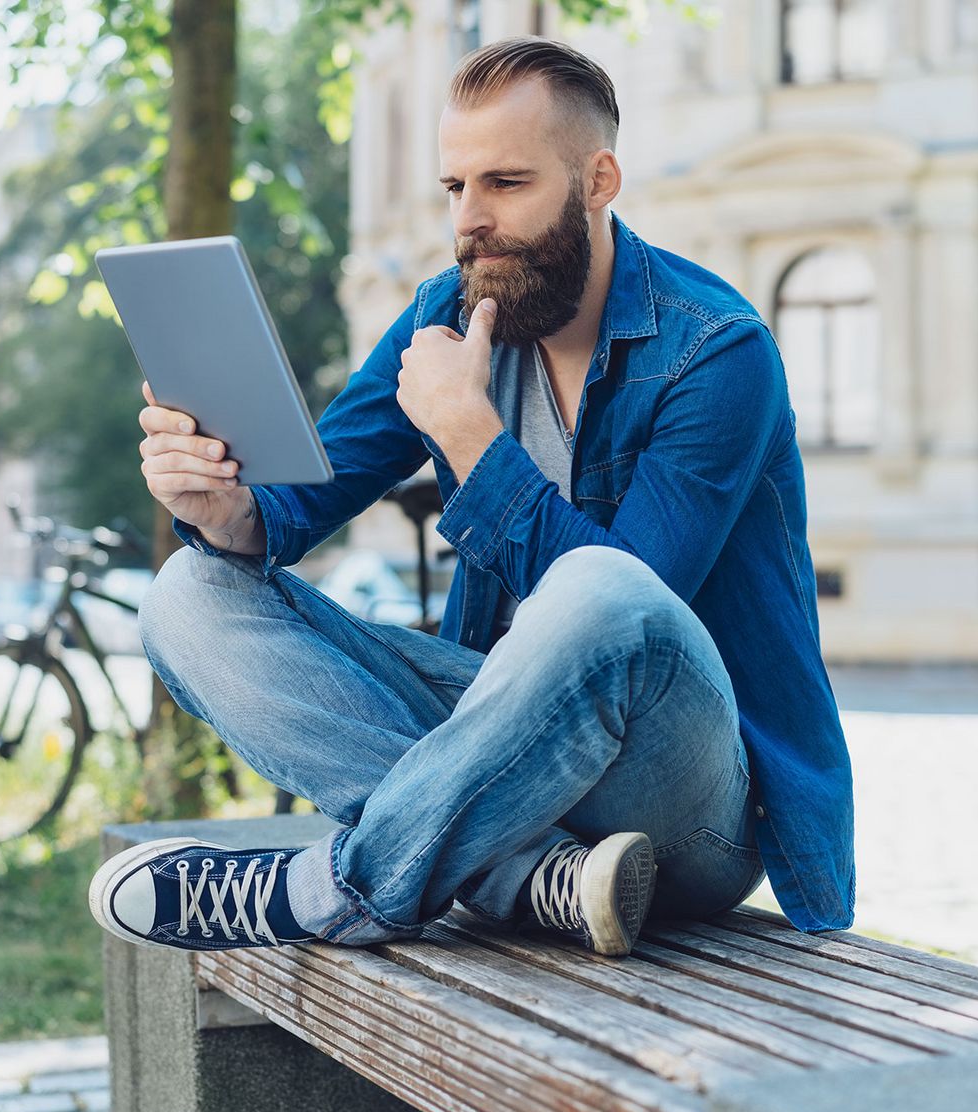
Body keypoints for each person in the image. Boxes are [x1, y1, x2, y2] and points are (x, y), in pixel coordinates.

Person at [88, 35, 854, 958]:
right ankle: (526, 879)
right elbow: (297, 501)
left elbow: (631, 619)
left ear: (598, 181)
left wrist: (471, 438)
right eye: (457, 188)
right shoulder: (442, 316)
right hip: (501, 764)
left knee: (601, 592)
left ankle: (331, 890)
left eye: (507, 183)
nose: (472, 220)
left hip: (690, 804)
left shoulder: (716, 352)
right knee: (189, 592)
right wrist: (227, 510)